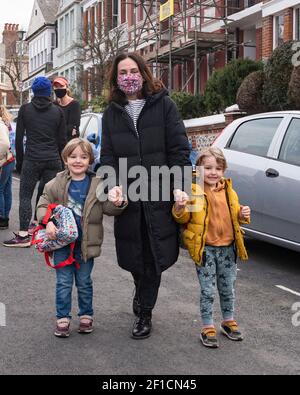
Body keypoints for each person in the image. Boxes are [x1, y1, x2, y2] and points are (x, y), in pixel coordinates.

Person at [100, 52, 191, 340]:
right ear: (116, 78)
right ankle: (141, 295)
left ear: (143, 72)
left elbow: (179, 149)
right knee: (134, 257)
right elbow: (108, 157)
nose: (129, 76)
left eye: (133, 70)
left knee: (155, 256)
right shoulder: (111, 113)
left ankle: (144, 312)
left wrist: (180, 186)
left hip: (160, 193)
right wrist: (111, 184)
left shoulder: (164, 105)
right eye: (123, 72)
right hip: (129, 197)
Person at [36, 138, 126, 338]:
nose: (78, 161)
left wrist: (119, 202)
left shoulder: (98, 184)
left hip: (86, 244)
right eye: (73, 156)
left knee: (84, 281)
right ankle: (63, 318)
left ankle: (86, 315)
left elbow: (109, 208)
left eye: (83, 157)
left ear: (90, 160)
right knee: (64, 282)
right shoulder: (56, 183)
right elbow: (42, 205)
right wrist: (48, 221)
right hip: (62, 244)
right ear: (65, 159)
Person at [173, 147, 251, 349]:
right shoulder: (193, 191)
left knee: (227, 288)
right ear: (198, 169)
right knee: (207, 290)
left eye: (218, 168)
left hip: (228, 249)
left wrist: (243, 214)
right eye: (207, 168)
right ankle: (208, 326)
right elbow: (182, 218)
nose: (213, 172)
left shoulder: (229, 192)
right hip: (206, 249)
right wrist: (180, 207)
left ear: (224, 170)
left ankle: (228, 321)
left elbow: (236, 217)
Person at [3, 76, 67, 248]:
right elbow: (62, 141)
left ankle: (24, 235)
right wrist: (63, 163)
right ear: (49, 92)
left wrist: (21, 162)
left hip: (32, 159)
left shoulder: (25, 110)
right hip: (53, 159)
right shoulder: (58, 112)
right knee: (50, 196)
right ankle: (46, 230)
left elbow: (18, 139)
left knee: (25, 196)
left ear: (34, 92)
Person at [0, 105, 15, 230]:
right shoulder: (6, 124)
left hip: (4, 160)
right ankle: (5, 217)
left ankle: (2, 217)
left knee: (0, 189)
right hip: (10, 159)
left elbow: (4, 143)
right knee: (6, 189)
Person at [53, 76, 81, 141]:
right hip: (57, 145)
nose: (59, 89)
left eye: (61, 86)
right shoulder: (54, 105)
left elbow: (72, 127)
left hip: (70, 144)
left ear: (67, 87)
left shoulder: (74, 104)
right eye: (56, 87)